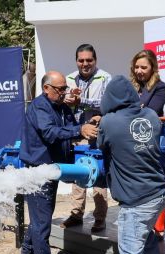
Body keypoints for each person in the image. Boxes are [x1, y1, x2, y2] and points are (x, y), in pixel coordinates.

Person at [97, 75, 165, 254]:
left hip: (136, 201)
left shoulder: (109, 122)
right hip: (157, 195)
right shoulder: (150, 115)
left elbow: (101, 146)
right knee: (146, 238)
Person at [19, 71, 98, 254]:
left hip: (52, 168)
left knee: (40, 215)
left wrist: (87, 123)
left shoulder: (62, 107)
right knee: (42, 219)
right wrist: (79, 129)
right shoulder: (39, 106)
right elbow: (50, 133)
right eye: (60, 89)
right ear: (46, 89)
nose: (64, 92)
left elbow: (73, 129)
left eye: (65, 88)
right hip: (37, 170)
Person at [60, 44, 111, 233]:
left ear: (95, 60)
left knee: (98, 176)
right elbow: (64, 102)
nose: (85, 64)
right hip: (77, 133)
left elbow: (108, 103)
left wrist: (82, 101)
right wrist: (68, 101)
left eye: (89, 60)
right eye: (81, 60)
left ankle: (100, 218)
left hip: (97, 133)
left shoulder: (105, 77)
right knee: (77, 174)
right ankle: (76, 214)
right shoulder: (70, 78)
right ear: (76, 61)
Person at [130, 49, 165, 240]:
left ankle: (158, 228)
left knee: (155, 183)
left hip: (152, 142)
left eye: (143, 67)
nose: (139, 71)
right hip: (130, 142)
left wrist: (134, 110)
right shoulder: (130, 87)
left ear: (152, 67)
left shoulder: (160, 87)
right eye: (136, 67)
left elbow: (151, 111)